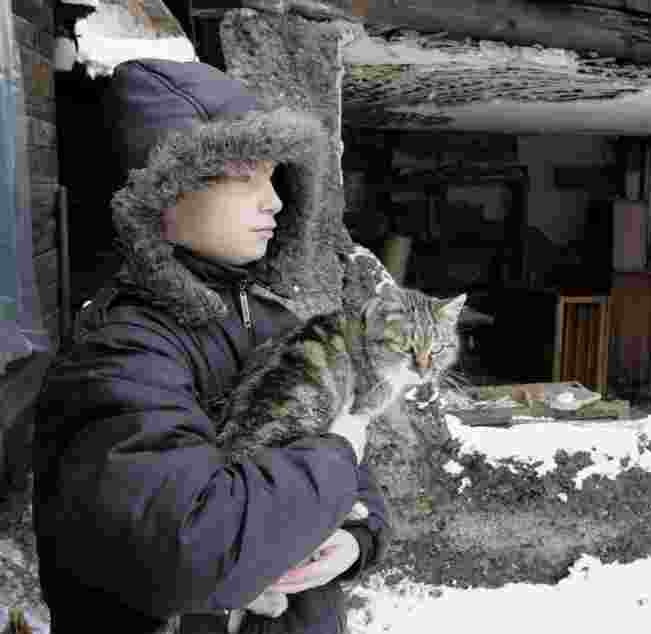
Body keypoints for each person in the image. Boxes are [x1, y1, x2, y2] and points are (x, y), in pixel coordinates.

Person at [32, 58, 391, 634]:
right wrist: (337, 455)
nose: (273, 200)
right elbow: (194, 546)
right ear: (164, 191)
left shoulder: (274, 318)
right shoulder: (122, 354)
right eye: (245, 176)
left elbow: (344, 465)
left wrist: (355, 536)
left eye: (274, 177)